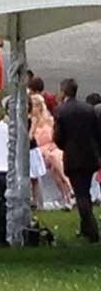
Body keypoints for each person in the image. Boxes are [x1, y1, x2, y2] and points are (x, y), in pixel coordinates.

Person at [54, 78, 101, 242]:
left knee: (81, 194)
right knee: (85, 191)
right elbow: (97, 132)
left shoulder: (61, 111)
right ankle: (86, 229)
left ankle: (92, 230)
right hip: (90, 156)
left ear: (63, 92)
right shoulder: (89, 109)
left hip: (73, 158)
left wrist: (65, 146)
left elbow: (58, 137)